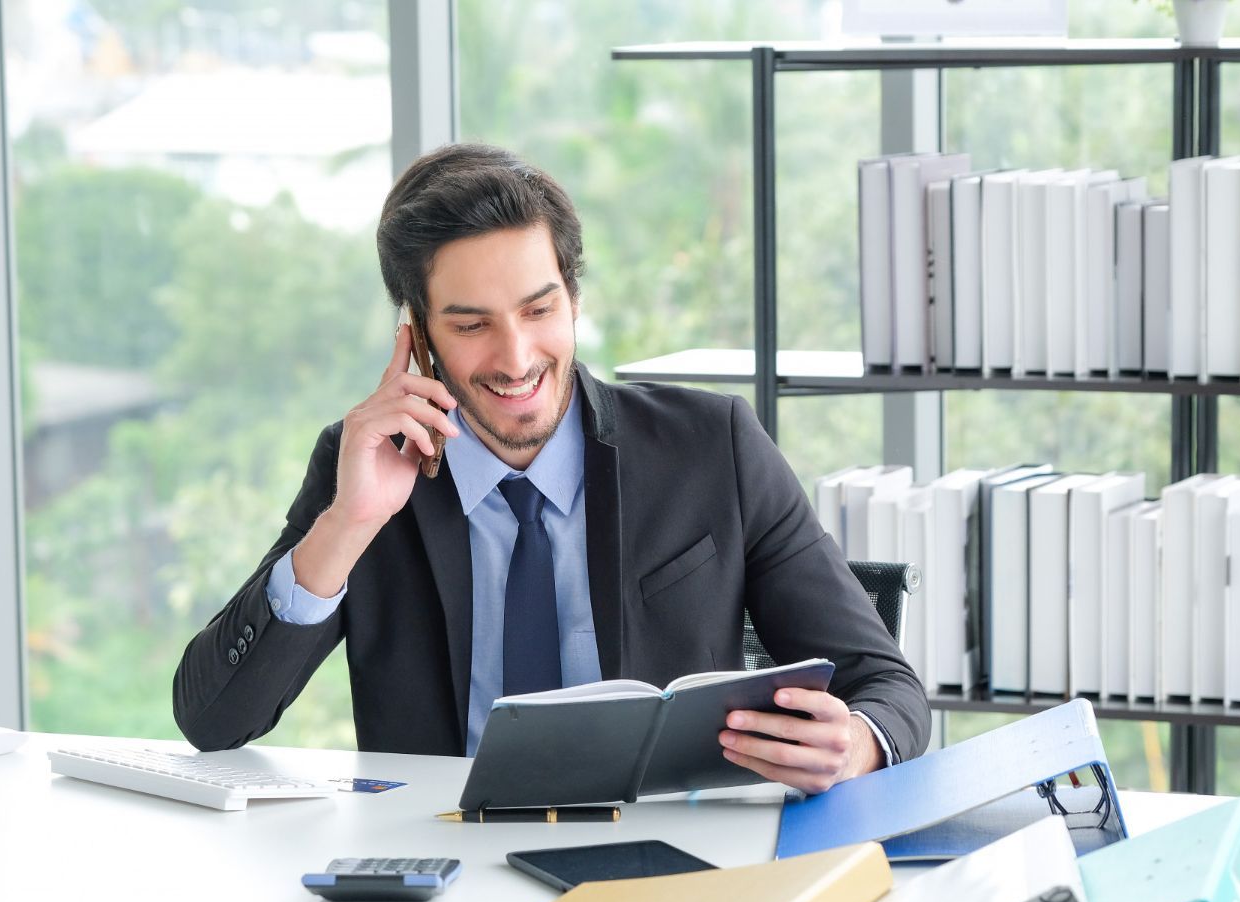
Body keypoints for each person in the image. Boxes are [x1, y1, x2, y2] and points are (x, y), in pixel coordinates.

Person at [173, 143, 929, 793]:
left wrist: (857, 743)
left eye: (539, 311)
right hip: (444, 873)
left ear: (572, 297)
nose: (514, 358)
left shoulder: (712, 446)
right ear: (420, 335)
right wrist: (348, 526)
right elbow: (213, 720)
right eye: (471, 325)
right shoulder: (364, 468)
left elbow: (889, 688)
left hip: (669, 864)